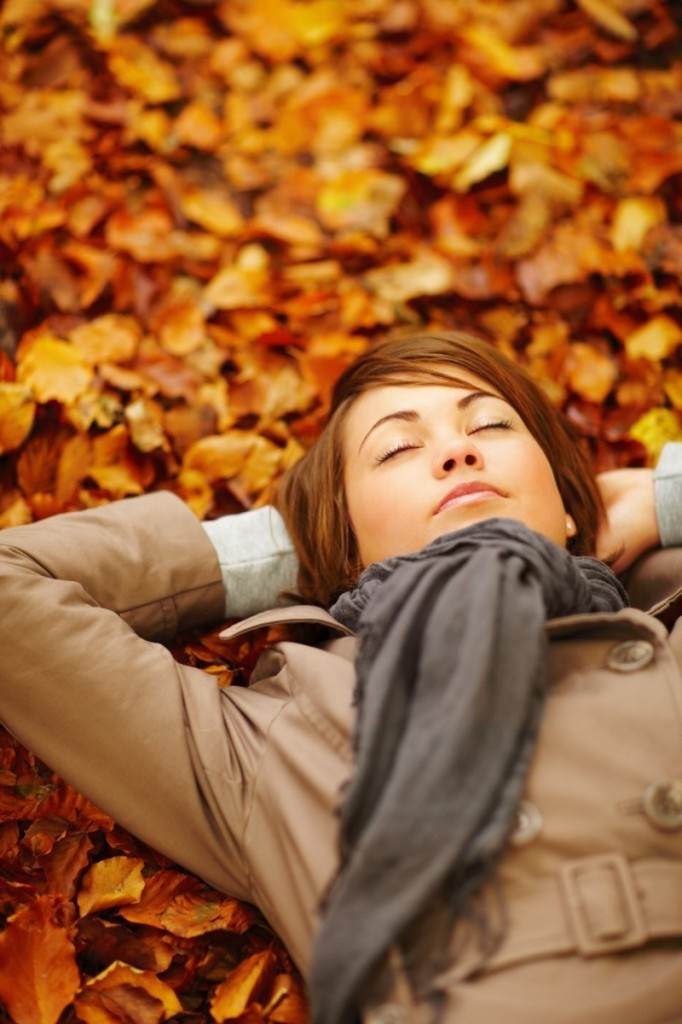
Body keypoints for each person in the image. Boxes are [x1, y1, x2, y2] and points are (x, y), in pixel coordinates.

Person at [1, 330, 681, 1024]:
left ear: (570, 509)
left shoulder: (666, 636)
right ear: (346, 547)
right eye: (395, 449)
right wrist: (285, 547)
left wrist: (663, 500)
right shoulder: (277, 740)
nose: (458, 449)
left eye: (490, 424)